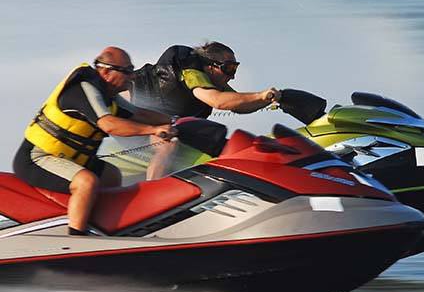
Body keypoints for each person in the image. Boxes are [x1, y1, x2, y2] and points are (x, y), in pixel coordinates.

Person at [13, 47, 176, 235]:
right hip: (37, 158)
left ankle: (111, 229)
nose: (132, 77)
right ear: (106, 72)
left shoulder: (107, 95)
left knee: (112, 175)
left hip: (69, 159)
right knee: (86, 182)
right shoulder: (84, 89)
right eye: (127, 71)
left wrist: (173, 121)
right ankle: (76, 240)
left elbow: (139, 114)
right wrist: (154, 130)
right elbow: (109, 125)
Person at [130, 42, 282, 179]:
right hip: (136, 119)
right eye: (229, 68)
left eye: (234, 69)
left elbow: (238, 104)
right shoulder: (192, 73)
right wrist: (261, 95)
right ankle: (153, 195)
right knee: (168, 146)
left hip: (164, 121)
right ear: (211, 66)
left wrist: (269, 99)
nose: (233, 76)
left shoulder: (215, 81)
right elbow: (217, 101)